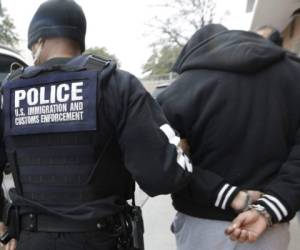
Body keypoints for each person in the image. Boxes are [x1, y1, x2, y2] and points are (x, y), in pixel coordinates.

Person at [0, 0, 193, 249]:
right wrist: (181, 149)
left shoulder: (9, 94)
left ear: (38, 41)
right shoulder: (116, 84)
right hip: (102, 239)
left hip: (32, 238)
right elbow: (162, 177)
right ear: (79, 41)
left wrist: (6, 224)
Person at [157, 23, 300, 250]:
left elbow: (162, 166)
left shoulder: (178, 92)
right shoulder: (293, 75)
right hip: (270, 228)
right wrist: (272, 206)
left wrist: (230, 195)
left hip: (201, 227)